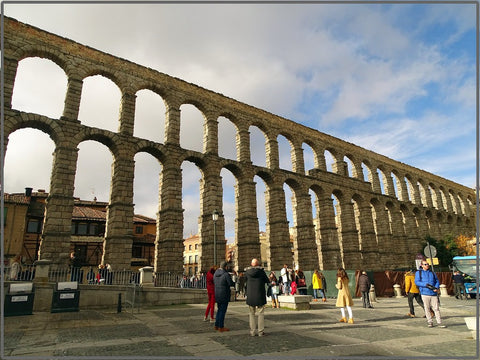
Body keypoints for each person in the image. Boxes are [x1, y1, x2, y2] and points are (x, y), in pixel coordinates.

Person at [415, 260, 446, 328]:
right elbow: (417, 282)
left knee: (436, 308)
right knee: (427, 308)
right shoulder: (419, 273)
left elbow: (437, 281)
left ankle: (439, 322)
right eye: (425, 264)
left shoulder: (432, 272)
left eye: (428, 264)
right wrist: (425, 285)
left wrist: (436, 287)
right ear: (422, 265)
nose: (427, 265)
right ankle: (430, 321)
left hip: (433, 293)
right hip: (424, 292)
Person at [245, 258, 270, 336]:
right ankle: (260, 331)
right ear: (258, 264)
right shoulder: (261, 272)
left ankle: (252, 331)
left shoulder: (247, 272)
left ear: (251, 264)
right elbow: (267, 281)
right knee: (261, 313)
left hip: (251, 296)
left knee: (251, 314)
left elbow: (245, 281)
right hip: (260, 295)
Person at [213, 261, 234, 332]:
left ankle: (216, 325)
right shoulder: (225, 274)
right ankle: (221, 327)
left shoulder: (215, 273)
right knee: (222, 311)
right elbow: (230, 283)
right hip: (224, 294)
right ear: (226, 267)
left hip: (217, 294)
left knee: (219, 310)